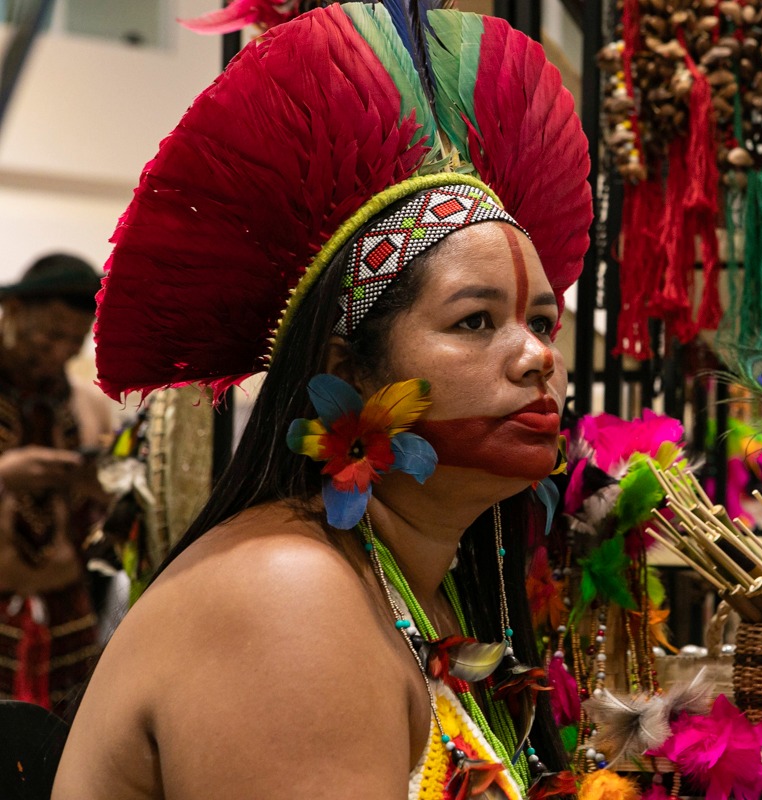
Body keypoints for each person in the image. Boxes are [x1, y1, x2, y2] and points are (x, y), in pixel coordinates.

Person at [53, 3, 590, 799]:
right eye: (475, 321)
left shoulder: (415, 584)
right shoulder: (287, 593)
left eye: (541, 321)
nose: (537, 355)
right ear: (350, 368)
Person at [0, 253, 110, 715]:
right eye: (49, 333)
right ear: (14, 313)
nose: (61, 350)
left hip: (69, 610)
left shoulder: (87, 405)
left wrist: (100, 484)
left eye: (74, 339)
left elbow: (107, 512)